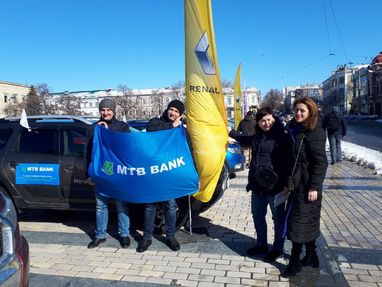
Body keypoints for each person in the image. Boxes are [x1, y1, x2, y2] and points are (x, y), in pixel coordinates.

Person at [229, 107, 290, 263]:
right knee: (257, 215)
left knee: (278, 219)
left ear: (274, 120)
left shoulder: (282, 137)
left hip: (275, 186)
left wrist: (286, 183)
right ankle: (261, 244)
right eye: (263, 120)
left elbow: (288, 163)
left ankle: (277, 248)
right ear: (258, 122)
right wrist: (230, 132)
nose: (266, 123)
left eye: (269, 119)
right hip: (258, 185)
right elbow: (245, 139)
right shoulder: (258, 136)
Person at [283, 97, 328, 277]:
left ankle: (295, 261)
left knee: (298, 223)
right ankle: (311, 255)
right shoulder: (296, 129)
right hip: (296, 184)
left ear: (311, 112)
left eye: (302, 111)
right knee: (306, 222)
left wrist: (314, 187)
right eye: (296, 110)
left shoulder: (314, 131)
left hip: (308, 185)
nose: (298, 113)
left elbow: (320, 162)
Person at [136, 99, 185, 253]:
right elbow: (151, 130)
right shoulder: (156, 122)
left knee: (171, 206)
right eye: (171, 109)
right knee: (150, 206)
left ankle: (170, 236)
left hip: (170, 171)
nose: (173, 113)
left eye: (177, 111)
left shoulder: (181, 130)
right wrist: (172, 126)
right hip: (154, 170)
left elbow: (187, 149)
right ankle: (147, 238)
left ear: (180, 115)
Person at [87, 98, 131, 249]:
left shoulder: (122, 127)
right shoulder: (93, 128)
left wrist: (107, 131)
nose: (106, 112)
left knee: (121, 205)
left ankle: (124, 234)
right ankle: (100, 235)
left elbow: (126, 148)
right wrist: (90, 174)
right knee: (100, 206)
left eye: (108, 110)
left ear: (113, 111)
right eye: (103, 110)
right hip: (101, 173)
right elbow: (88, 153)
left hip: (118, 173)